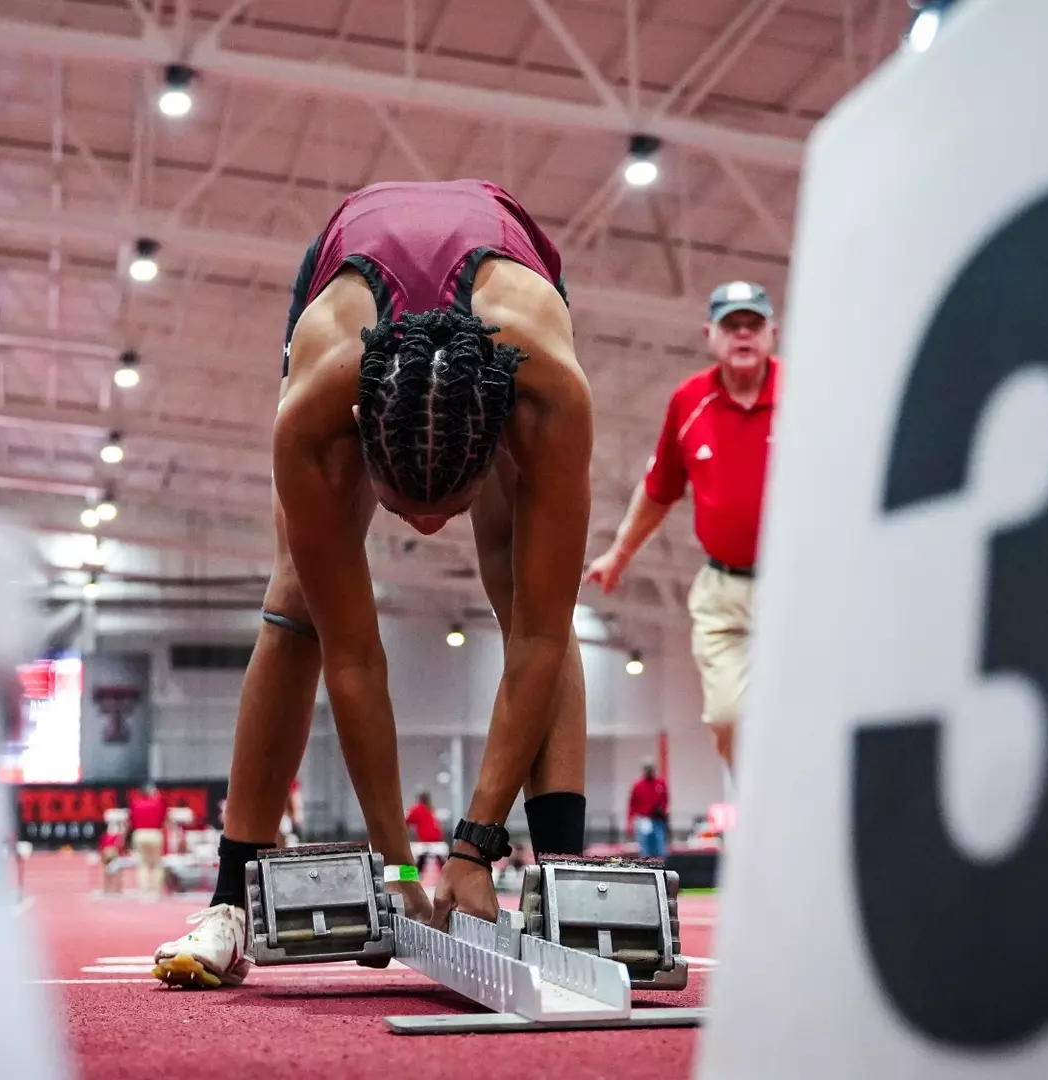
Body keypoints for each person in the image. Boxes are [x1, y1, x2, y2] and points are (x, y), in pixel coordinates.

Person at [151, 178, 594, 990]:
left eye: (445, 510)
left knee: (533, 598)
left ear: (499, 439)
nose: (425, 530)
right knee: (296, 606)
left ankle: (564, 877)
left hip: (509, 275)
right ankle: (228, 897)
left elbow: (537, 637)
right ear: (359, 441)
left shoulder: (549, 394)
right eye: (403, 510)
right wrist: (397, 873)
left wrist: (473, 849)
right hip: (345, 269)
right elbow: (355, 660)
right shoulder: (313, 415)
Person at [585, 281, 782, 771]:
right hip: (722, 590)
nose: (743, 334)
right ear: (709, 334)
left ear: (772, 333)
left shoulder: (802, 394)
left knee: (807, 711)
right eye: (731, 325)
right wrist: (619, 554)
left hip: (795, 586)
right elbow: (659, 490)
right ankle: (762, 813)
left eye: (753, 324)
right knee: (729, 716)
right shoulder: (690, 401)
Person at [127, 783, 167, 900]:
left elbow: (131, 821)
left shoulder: (135, 804)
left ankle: (144, 891)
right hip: (154, 833)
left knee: (143, 863)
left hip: (140, 833)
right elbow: (164, 820)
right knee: (156, 863)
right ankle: (155, 891)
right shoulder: (158, 803)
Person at [627, 759, 670, 859]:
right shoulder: (638, 785)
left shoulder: (660, 783)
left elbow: (665, 800)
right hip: (643, 820)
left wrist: (663, 811)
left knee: (660, 848)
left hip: (657, 820)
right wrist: (630, 822)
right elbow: (632, 805)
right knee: (645, 849)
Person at [405, 790, 446, 874]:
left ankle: (410, 877)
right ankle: (448, 876)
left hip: (425, 841)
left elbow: (406, 823)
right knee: (440, 862)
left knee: (413, 860)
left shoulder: (417, 808)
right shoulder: (430, 808)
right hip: (437, 840)